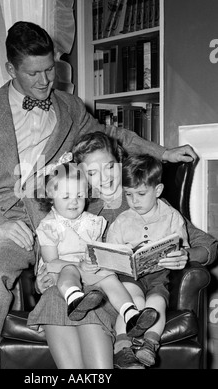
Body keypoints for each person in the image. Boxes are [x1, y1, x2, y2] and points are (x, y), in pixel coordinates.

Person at [0, 20, 201, 370]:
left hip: (25, 223)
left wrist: (164, 152)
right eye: (33, 73)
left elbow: (112, 138)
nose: (44, 81)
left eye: (50, 69)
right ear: (11, 69)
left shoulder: (68, 108)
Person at [32, 131, 218, 369]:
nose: (104, 178)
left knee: (91, 303)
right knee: (54, 298)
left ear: (120, 162)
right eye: (91, 172)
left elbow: (209, 245)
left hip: (117, 294)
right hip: (73, 288)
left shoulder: (143, 199)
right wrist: (42, 279)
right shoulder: (75, 206)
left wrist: (185, 255)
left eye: (110, 166)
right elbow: (48, 256)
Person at [33, 156, 158, 337]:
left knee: (109, 278)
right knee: (69, 269)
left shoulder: (92, 223)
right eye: (66, 196)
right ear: (51, 198)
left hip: (88, 270)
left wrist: (100, 263)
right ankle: (75, 299)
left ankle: (130, 313)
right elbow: (51, 262)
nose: (74, 202)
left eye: (79, 196)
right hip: (62, 271)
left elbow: (97, 251)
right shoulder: (49, 226)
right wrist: (79, 266)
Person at [106, 154, 190, 368]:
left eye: (141, 194)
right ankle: (123, 348)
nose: (134, 201)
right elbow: (111, 253)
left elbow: (184, 248)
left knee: (156, 304)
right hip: (129, 276)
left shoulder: (172, 217)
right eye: (129, 194)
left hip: (158, 275)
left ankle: (149, 345)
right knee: (135, 303)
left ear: (158, 190)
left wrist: (180, 255)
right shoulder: (122, 220)